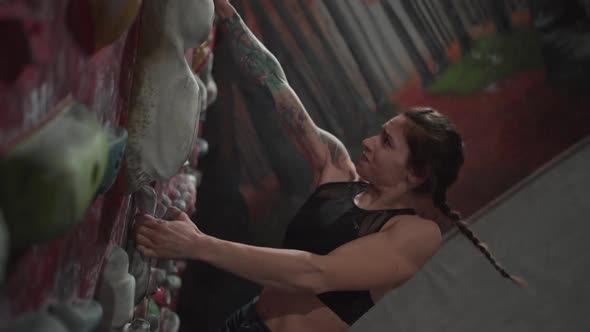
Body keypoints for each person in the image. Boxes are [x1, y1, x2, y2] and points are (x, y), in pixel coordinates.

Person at [134, 1, 525, 331]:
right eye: (379, 133)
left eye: (386, 142)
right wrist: (229, 16)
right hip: (245, 318)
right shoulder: (338, 166)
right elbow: (276, 84)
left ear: (416, 173)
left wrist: (199, 244)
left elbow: (316, 273)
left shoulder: (417, 234)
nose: (369, 142)